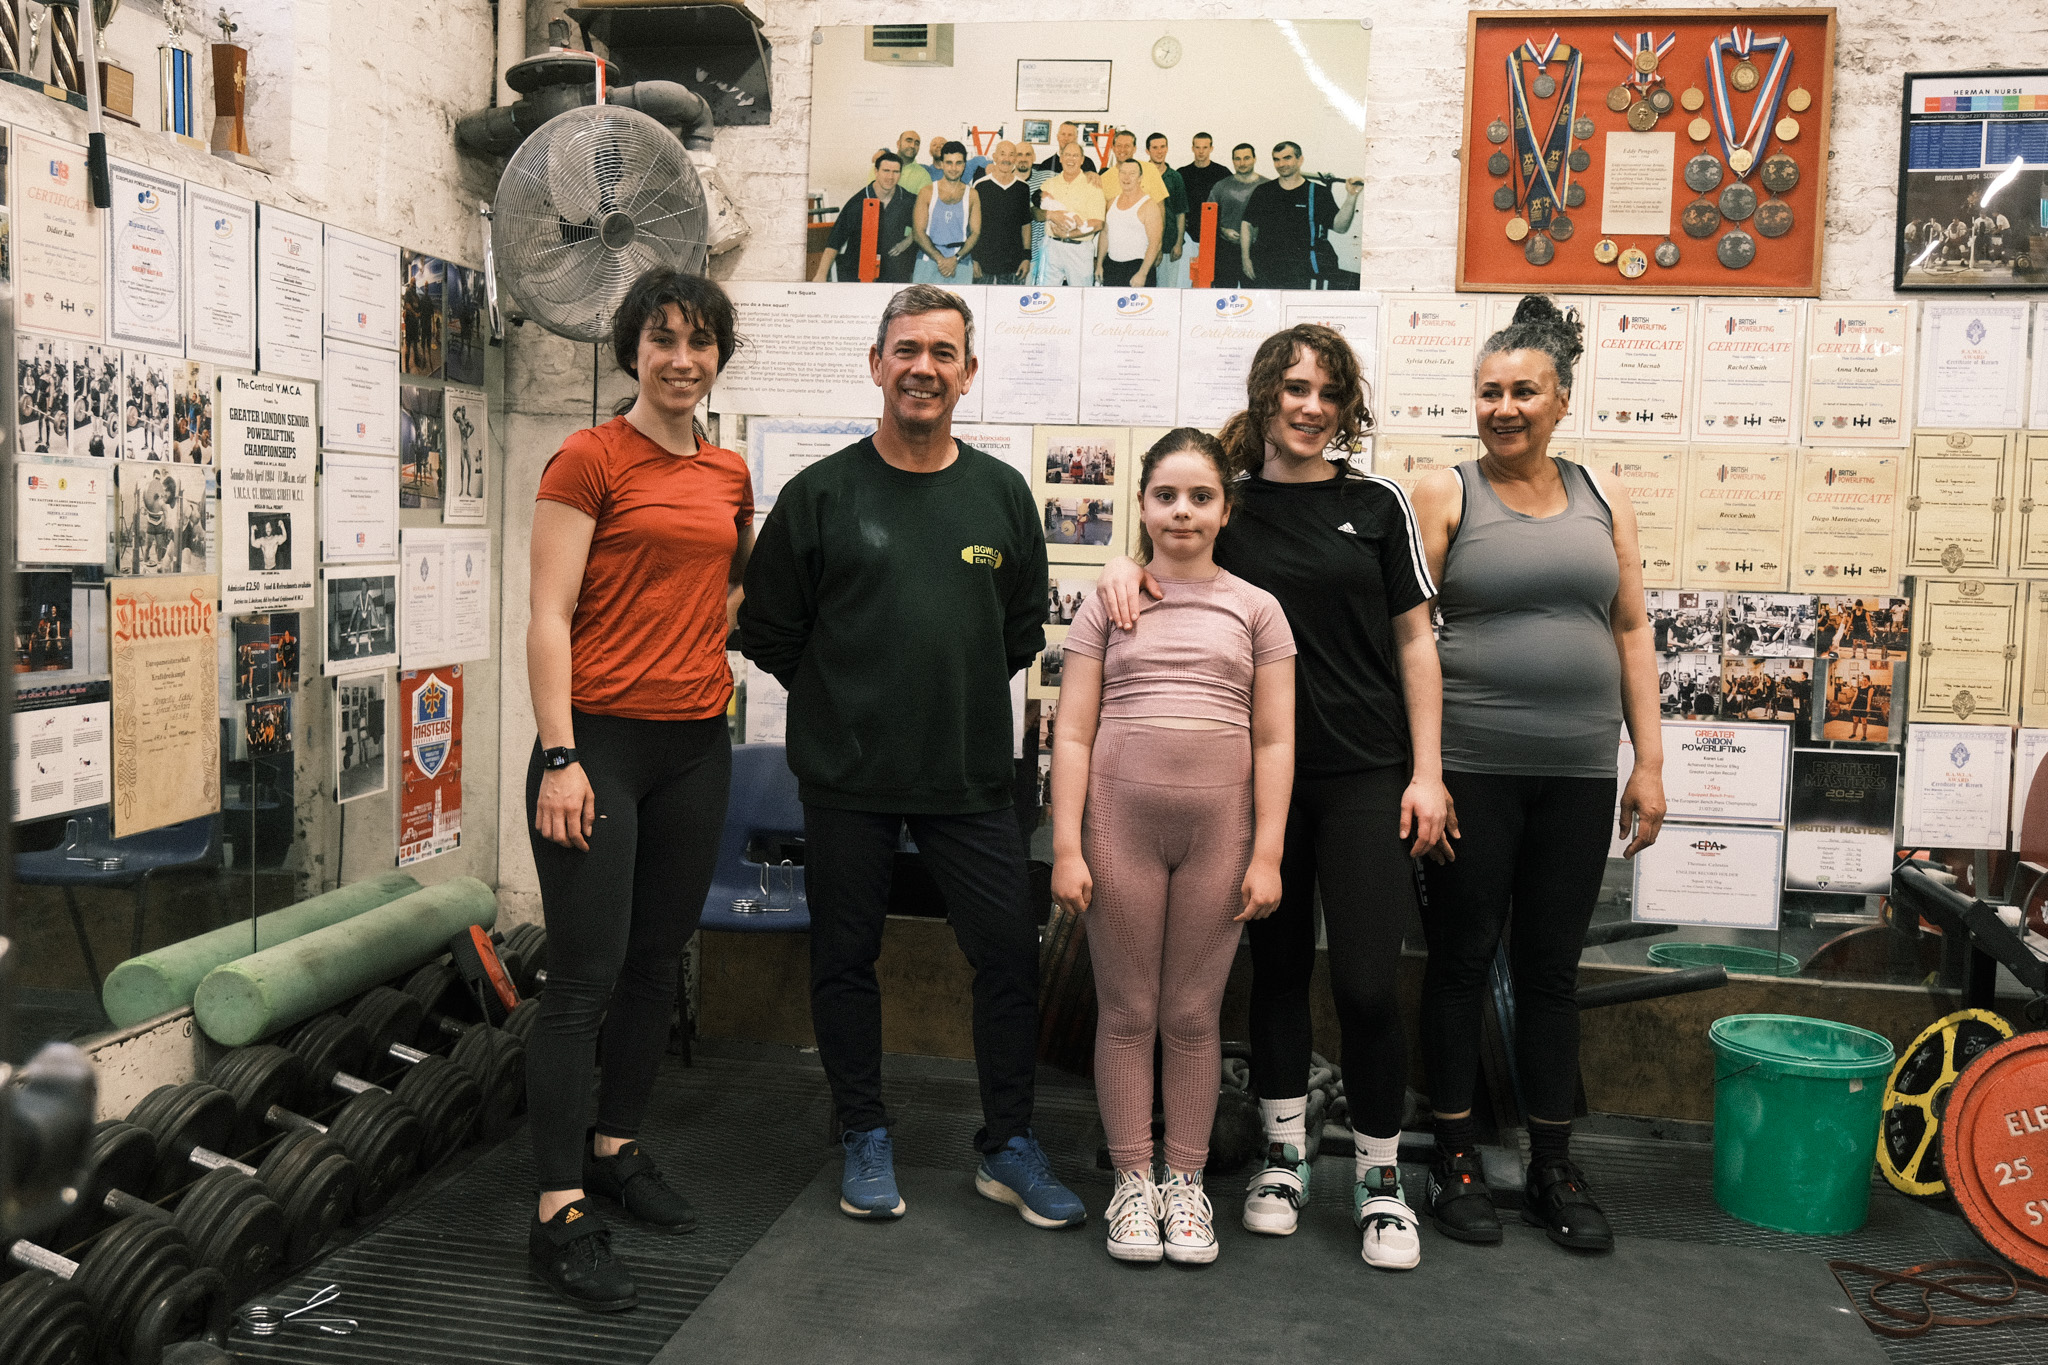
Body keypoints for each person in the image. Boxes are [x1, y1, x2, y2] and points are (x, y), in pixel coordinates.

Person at [1097, 324, 1450, 1271]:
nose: (1310, 406)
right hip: (1252, 783)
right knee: (1279, 973)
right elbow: (1164, 566)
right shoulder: (1232, 504)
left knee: (1371, 982)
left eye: (1329, 392)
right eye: (1294, 387)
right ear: (1265, 395)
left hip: (1366, 773)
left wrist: (1427, 771)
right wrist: (1120, 564)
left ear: (1346, 406)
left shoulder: (1375, 503)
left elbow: (1416, 642)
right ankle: (1283, 1161)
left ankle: (1380, 1181)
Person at [739, 285, 1086, 1232]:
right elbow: (768, 628)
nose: (922, 366)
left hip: (970, 776)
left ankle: (1007, 1144)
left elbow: (1019, 633)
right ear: (876, 364)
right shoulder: (820, 495)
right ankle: (863, 1130)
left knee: (1008, 955)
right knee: (845, 956)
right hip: (846, 775)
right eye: (905, 349)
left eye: (942, 351)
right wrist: (847, 688)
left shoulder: (1002, 494)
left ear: (968, 374)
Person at [1408, 295, 1666, 1254]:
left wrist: (1649, 759)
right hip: (1473, 766)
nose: (1504, 406)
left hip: (1576, 772)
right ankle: (1457, 1159)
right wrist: (1426, 770)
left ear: (1561, 400)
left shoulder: (1604, 495)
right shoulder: (1445, 493)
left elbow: (1631, 628)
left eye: (1524, 391)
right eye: (1489, 391)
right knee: (1463, 961)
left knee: (1551, 970)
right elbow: (1412, 637)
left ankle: (1554, 1163)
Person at [523, 269, 754, 1312]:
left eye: (699, 342)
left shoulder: (727, 470)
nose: (681, 359)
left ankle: (614, 1147)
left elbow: (725, 584)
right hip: (599, 747)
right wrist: (561, 755)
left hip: (695, 744)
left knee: (658, 959)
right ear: (632, 351)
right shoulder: (588, 458)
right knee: (584, 977)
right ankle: (557, 1209)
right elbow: (545, 614)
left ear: (717, 355)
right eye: (662, 340)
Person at [1053, 429, 1296, 1265]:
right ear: (1143, 506)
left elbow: (1274, 742)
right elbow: (1074, 731)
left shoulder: (1257, 608)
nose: (1182, 511)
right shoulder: (1108, 599)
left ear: (1226, 510)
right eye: (1166, 495)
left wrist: (1267, 854)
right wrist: (1066, 846)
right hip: (1118, 827)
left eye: (1200, 496)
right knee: (1127, 1012)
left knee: (1192, 1015)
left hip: (1219, 835)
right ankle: (1132, 1181)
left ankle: (1186, 1183)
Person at [1241, 143, 1362, 290]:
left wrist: (1351, 196)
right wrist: (1246, 259)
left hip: (1302, 270)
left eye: (1287, 158)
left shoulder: (1318, 192)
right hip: (1266, 267)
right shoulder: (1263, 191)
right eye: (1276, 159)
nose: (1281, 164)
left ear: (1300, 160)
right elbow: (1246, 224)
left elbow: (1340, 227)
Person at [816, 151, 918, 284]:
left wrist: (910, 239)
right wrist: (821, 275)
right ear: (876, 171)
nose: (890, 177)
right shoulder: (858, 202)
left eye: (896, 172)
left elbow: (927, 224)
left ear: (901, 173)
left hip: (894, 274)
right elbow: (835, 240)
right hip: (857, 273)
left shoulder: (909, 200)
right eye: (886, 171)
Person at [1035, 142, 1106, 286]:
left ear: (1082, 160)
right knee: (1045, 296)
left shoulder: (1093, 185)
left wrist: (1068, 234)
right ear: (1060, 158)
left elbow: (1098, 223)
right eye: (1067, 155)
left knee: (1080, 297)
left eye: (1075, 155)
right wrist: (1051, 215)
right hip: (1051, 248)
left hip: (1080, 250)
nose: (1070, 159)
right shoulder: (1049, 184)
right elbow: (1034, 212)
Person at [911, 142, 980, 283]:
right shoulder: (927, 192)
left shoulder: (972, 194)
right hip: (928, 261)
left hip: (960, 262)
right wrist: (941, 260)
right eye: (949, 163)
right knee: (924, 305)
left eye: (958, 163)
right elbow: (918, 232)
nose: (953, 168)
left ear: (964, 165)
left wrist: (955, 259)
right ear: (941, 164)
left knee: (959, 305)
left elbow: (975, 232)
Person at [973, 141, 1034, 285]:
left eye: (1011, 154)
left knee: (1009, 304)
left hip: (1014, 262)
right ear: (995, 156)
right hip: (984, 261)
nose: (1006, 159)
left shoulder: (1023, 188)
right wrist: (974, 259)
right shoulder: (980, 185)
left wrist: (1026, 257)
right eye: (1002, 154)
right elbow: (973, 226)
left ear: (1015, 159)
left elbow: (1025, 224)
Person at [1208, 144, 1268, 291]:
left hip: (1256, 251)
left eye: (1247, 158)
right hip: (1227, 251)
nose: (1242, 163)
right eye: (1238, 159)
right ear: (1233, 161)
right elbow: (1208, 218)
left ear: (1254, 159)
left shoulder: (1268, 186)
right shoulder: (1221, 186)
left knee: (1254, 298)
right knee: (1224, 298)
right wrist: (1222, 230)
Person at [1177, 133, 1232, 287]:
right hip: (1188, 237)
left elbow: (1228, 205)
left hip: (1215, 238)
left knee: (1212, 281)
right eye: (1197, 147)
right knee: (1188, 281)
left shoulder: (1222, 173)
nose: (1201, 151)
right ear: (1192, 148)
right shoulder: (1182, 173)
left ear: (1211, 148)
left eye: (1205, 147)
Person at [1099, 158, 1163, 288]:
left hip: (1138, 268)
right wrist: (1100, 263)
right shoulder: (1111, 203)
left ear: (1140, 178)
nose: (1126, 177)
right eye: (1123, 172)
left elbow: (1155, 243)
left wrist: (1143, 273)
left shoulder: (1149, 206)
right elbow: (1105, 233)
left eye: (1132, 174)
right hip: (1112, 267)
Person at [1144, 134, 1190, 288]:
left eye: (1163, 147)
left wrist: (1178, 243)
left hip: (1168, 243)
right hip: (1142, 243)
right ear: (1147, 151)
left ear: (1167, 148)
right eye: (1155, 147)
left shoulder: (1175, 177)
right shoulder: (1139, 174)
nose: (1159, 151)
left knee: (1167, 290)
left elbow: (1180, 212)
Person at [871, 130, 932, 197]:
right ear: (898, 144)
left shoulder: (923, 175)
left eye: (917, 143)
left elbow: (923, 204)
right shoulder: (880, 166)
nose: (913, 146)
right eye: (909, 141)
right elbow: (870, 195)